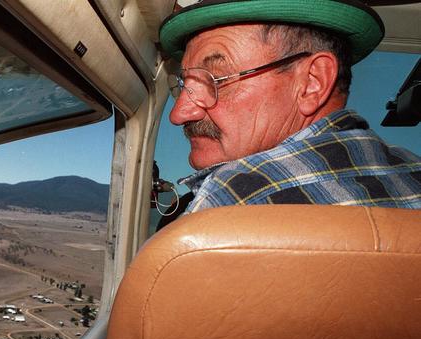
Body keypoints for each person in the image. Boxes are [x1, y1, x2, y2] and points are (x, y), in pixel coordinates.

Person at [159, 0, 421, 214]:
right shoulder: (414, 172)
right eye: (185, 85)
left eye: (216, 80)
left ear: (312, 83)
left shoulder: (232, 197)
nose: (179, 113)